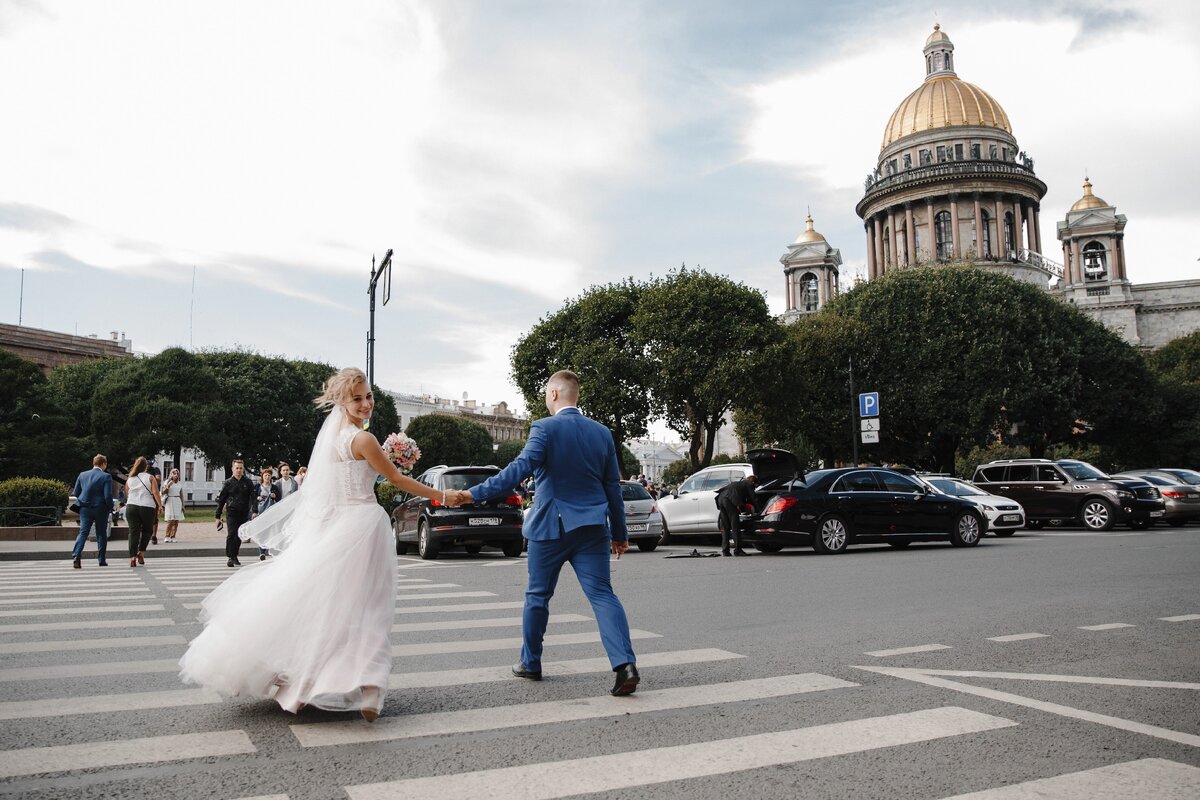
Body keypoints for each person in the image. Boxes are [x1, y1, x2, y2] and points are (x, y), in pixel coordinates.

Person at [180, 367, 448, 721]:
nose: (367, 403)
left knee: (328, 607)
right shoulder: (364, 440)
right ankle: (368, 686)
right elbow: (396, 478)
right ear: (342, 401)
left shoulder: (334, 439)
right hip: (364, 524)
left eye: (368, 396)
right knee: (367, 608)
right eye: (358, 398)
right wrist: (443, 495)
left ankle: (303, 686)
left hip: (338, 526)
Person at [446, 369, 640, 697]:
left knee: (538, 595)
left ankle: (531, 663)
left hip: (551, 526)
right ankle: (625, 666)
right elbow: (613, 488)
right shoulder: (602, 433)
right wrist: (620, 533)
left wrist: (472, 494)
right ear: (575, 395)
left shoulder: (544, 428)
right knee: (603, 595)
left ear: (553, 394)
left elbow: (518, 470)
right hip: (593, 528)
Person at [71, 454, 114, 568]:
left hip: (85, 508)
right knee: (101, 534)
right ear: (103, 464)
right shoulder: (106, 476)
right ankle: (101, 560)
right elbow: (107, 496)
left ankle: (76, 555)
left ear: (93, 463)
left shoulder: (82, 475)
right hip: (101, 509)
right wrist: (111, 507)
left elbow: (76, 492)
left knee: (83, 532)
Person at [215, 460, 257, 567]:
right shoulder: (228, 483)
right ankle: (230, 556)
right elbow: (222, 500)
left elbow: (253, 497)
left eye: (241, 468)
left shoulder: (248, 482)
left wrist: (255, 511)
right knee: (231, 534)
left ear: (243, 469)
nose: (239, 470)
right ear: (232, 469)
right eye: (237, 468)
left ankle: (235, 555)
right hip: (231, 511)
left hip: (243, 512)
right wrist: (218, 516)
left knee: (239, 535)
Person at [125, 457, 162, 568]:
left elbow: (127, 493)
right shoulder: (150, 477)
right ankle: (141, 552)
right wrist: (160, 505)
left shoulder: (130, 478)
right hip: (147, 506)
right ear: (146, 466)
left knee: (133, 532)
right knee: (147, 531)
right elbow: (155, 492)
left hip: (131, 506)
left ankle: (132, 557)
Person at [715, 474, 757, 556]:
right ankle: (738, 550)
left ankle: (725, 551)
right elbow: (753, 498)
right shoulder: (749, 483)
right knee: (735, 526)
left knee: (725, 526)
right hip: (729, 501)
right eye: (755, 485)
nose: (754, 487)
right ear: (753, 482)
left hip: (721, 499)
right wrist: (758, 509)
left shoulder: (738, 484)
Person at [253, 467, 281, 561]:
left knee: (271, 532)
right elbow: (252, 499)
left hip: (271, 512)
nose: (267, 477)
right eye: (265, 475)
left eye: (269, 475)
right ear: (262, 476)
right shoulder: (257, 487)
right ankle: (262, 552)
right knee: (261, 532)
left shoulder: (274, 487)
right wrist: (257, 499)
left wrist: (274, 496)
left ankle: (270, 550)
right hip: (261, 512)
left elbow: (279, 499)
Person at [161, 468, 185, 542]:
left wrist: (183, 505)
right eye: (174, 473)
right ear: (171, 474)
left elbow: (181, 495)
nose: (176, 475)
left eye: (177, 473)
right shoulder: (167, 482)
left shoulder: (179, 484)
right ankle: (167, 536)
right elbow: (163, 492)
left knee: (176, 521)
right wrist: (169, 484)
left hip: (177, 501)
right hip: (170, 501)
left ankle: (173, 536)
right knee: (170, 520)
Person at [147, 464, 162, 544]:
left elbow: (158, 479)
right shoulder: (140, 472)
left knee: (154, 516)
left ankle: (154, 535)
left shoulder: (155, 469)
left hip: (153, 494)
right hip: (144, 494)